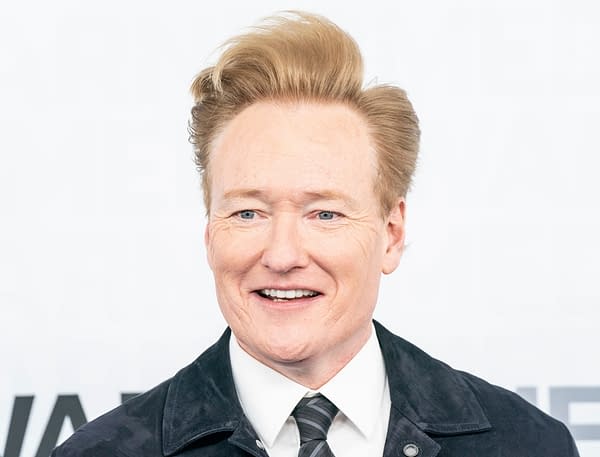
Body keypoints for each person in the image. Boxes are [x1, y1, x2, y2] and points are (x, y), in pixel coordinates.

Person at [52, 11, 579, 457]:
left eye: (324, 214)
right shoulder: (104, 450)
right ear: (209, 234)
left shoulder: (527, 443)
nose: (281, 255)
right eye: (248, 213)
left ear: (391, 234)